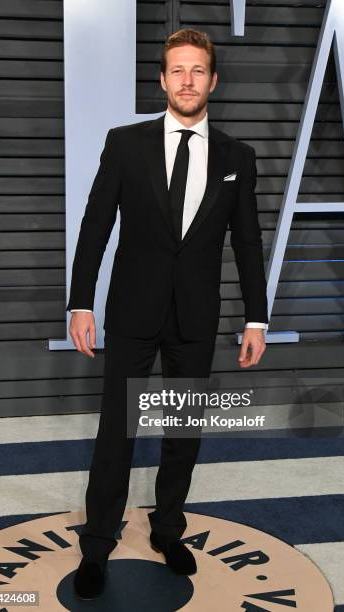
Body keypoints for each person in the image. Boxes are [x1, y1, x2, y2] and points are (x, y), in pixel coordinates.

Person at [66, 28, 268, 600]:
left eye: (197, 71)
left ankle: (168, 529)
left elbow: (248, 242)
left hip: (197, 317)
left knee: (183, 431)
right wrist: (80, 301)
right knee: (117, 431)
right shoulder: (125, 143)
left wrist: (258, 318)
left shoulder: (238, 156)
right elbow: (95, 227)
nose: (186, 80)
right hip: (132, 310)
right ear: (162, 79)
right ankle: (98, 543)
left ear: (213, 80)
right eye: (177, 70)